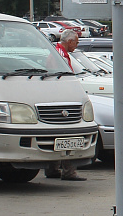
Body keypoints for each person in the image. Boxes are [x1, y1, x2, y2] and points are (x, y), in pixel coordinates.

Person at [45, 30, 85, 181]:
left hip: (55, 99)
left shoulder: (57, 51)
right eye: (76, 42)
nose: (77, 45)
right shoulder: (60, 55)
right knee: (68, 134)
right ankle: (69, 171)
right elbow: (64, 76)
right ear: (69, 42)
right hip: (61, 100)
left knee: (56, 134)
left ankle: (52, 168)